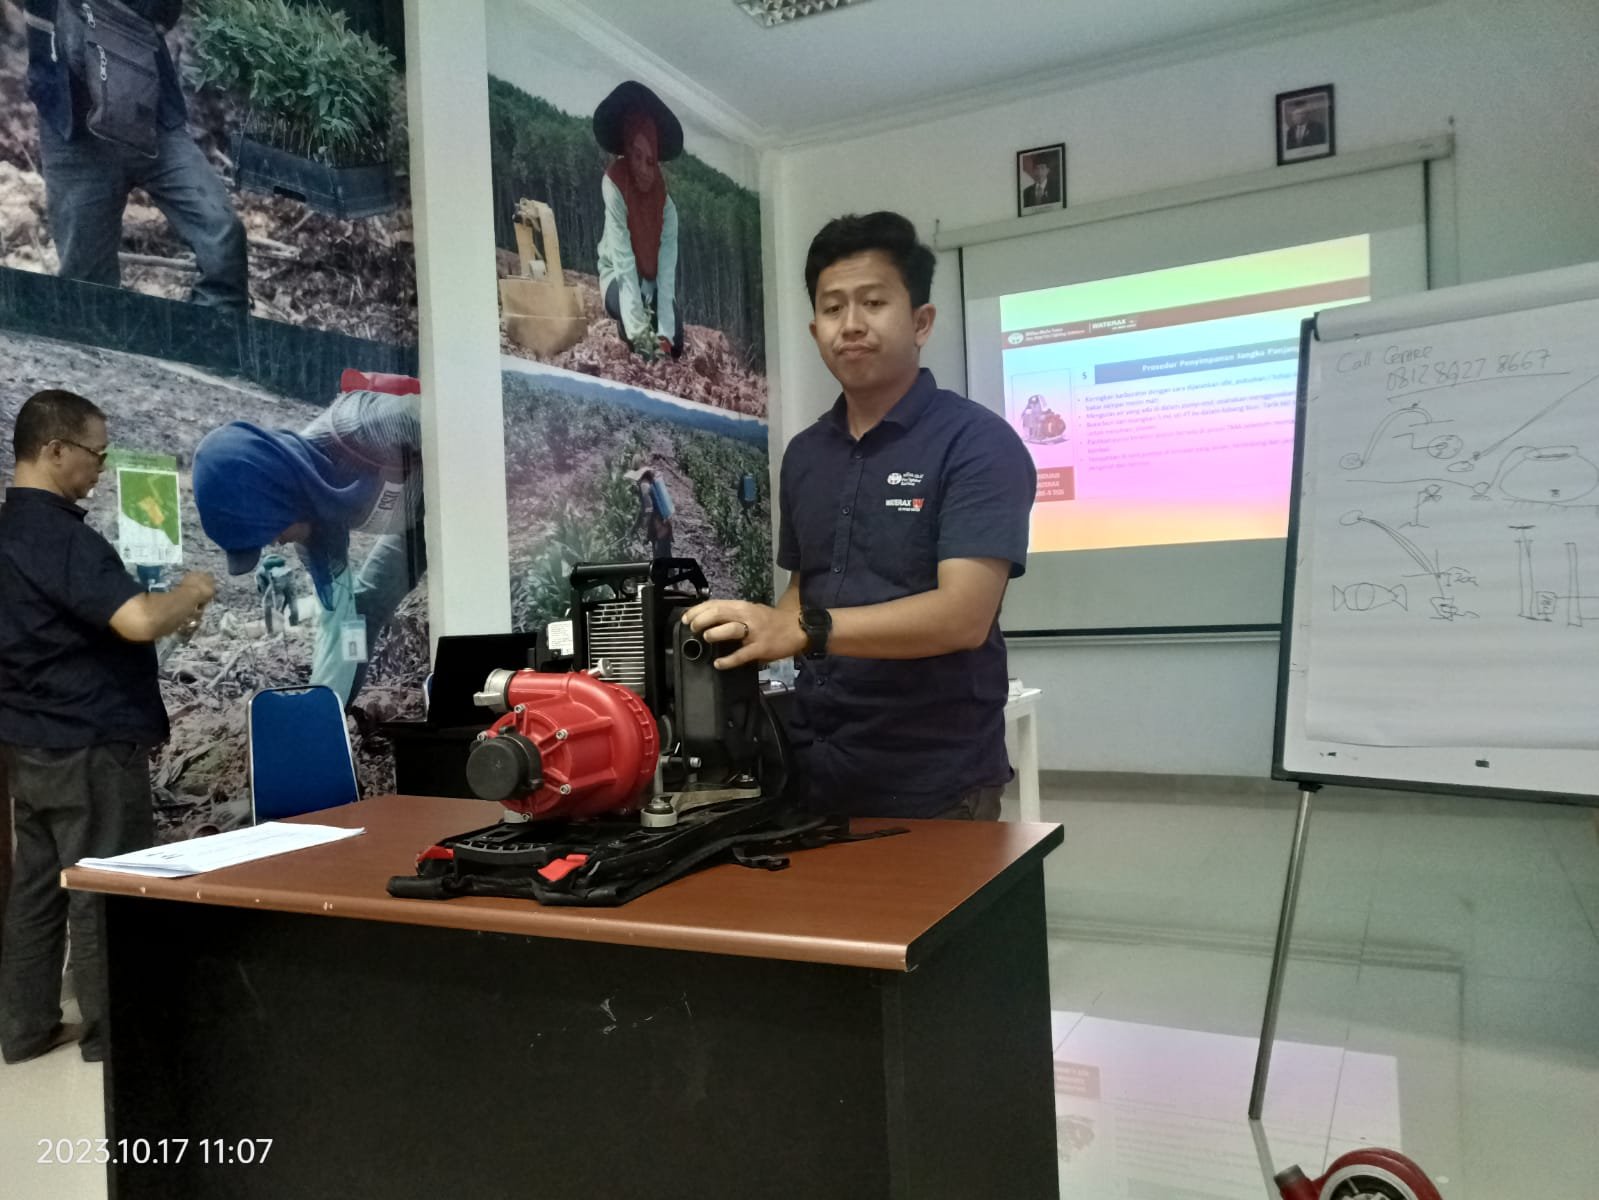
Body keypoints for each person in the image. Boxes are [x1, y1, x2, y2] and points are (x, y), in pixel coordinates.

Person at [682, 212, 1036, 821]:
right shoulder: (805, 454)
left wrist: (805, 630)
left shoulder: (977, 443)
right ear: (814, 328)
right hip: (811, 767)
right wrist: (754, 631)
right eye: (832, 307)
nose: (850, 324)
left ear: (921, 321)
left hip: (934, 781)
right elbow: (805, 589)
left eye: (873, 302)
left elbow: (963, 616)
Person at [0, 389, 215, 1065]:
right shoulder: (61, 537)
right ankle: (116, 1039)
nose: (100, 465)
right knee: (105, 892)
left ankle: (25, 1028)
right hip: (89, 745)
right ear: (54, 449)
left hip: (29, 744)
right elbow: (138, 619)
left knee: (37, 890)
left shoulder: (7, 532)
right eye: (96, 452)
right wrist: (191, 591)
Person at [192, 386, 424, 708]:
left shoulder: (361, 427)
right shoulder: (315, 529)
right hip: (419, 526)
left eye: (270, 530)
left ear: (280, 498)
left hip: (473, 500)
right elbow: (339, 623)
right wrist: (321, 714)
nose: (276, 542)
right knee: (362, 612)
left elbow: (456, 421)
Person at [22, 0, 248, 310]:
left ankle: (214, 332)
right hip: (73, 131)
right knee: (87, 287)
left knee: (221, 232)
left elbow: (165, 12)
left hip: (151, 117)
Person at [593, 80, 684, 361]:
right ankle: (628, 327)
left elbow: (666, 274)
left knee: (675, 345)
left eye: (650, 160)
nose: (644, 169)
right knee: (640, 342)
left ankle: (650, 328)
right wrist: (638, 331)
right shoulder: (614, 186)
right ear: (627, 154)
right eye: (637, 156)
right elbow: (623, 260)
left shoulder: (667, 209)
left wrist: (665, 335)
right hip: (617, 275)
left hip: (652, 284)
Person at [626, 466, 674, 560]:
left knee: (660, 556)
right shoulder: (652, 483)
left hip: (659, 527)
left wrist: (644, 525)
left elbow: (649, 509)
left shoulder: (644, 485)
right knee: (666, 554)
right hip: (665, 523)